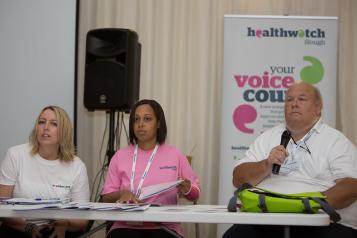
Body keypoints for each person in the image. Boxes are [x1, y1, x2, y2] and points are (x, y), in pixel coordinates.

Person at [223, 81, 357, 238]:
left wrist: (308, 205)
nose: (294, 104)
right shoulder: (268, 137)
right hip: (267, 220)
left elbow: (351, 186)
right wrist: (266, 164)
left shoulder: (335, 140)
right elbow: (238, 179)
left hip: (321, 223)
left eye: (301, 99)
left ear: (318, 107)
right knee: (235, 235)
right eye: (289, 99)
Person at [102, 99, 200, 238]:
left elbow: (195, 194)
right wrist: (121, 194)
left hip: (165, 227)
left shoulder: (175, 154)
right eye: (136, 119)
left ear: (158, 123)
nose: (140, 124)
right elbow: (106, 198)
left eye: (147, 119)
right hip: (125, 226)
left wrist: (187, 188)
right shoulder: (120, 156)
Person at [0, 105, 90, 238]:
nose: (45, 127)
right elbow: (2, 207)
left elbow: (82, 221)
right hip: (18, 229)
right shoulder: (15, 155)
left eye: (54, 124)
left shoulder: (77, 166)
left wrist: (63, 226)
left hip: (58, 231)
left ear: (64, 131)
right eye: (41, 122)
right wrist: (29, 228)